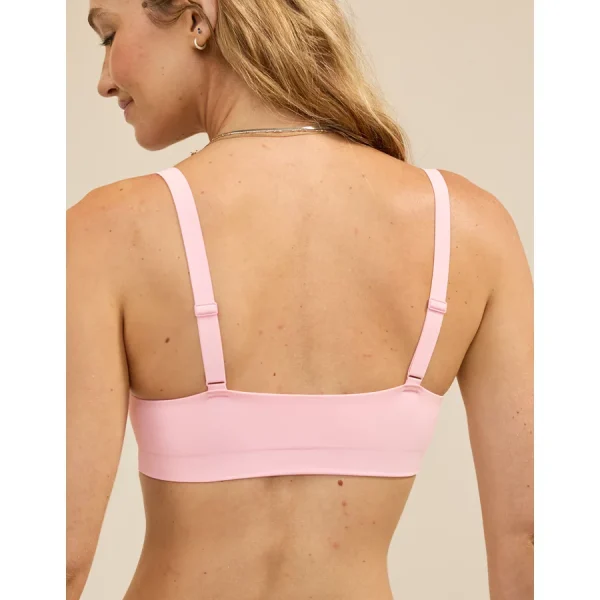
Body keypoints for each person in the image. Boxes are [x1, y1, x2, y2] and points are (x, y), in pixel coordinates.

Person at [66, 1, 534, 599]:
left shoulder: (107, 231)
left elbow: (60, 555)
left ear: (197, 18)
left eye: (108, 36)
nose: (104, 80)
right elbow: (531, 536)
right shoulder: (469, 228)